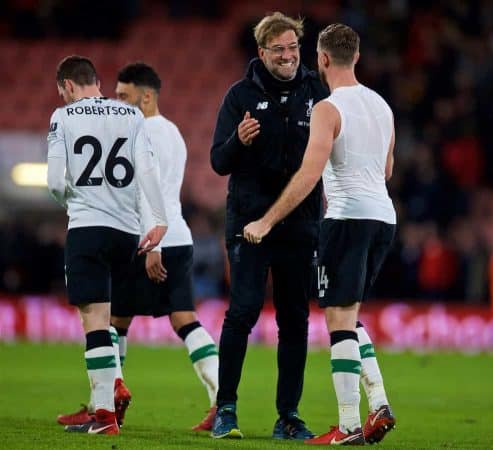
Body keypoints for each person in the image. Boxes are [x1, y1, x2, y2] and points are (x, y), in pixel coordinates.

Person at [243, 23, 397, 445]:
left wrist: (266, 220)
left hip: (347, 217)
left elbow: (310, 173)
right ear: (357, 57)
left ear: (322, 59)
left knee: (338, 321)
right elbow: (386, 170)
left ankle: (348, 425)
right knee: (349, 316)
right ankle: (379, 403)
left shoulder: (328, 109)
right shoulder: (382, 106)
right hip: (384, 217)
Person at [56, 62, 220, 431]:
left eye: (124, 96)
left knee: (111, 320)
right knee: (181, 318)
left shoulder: (140, 129)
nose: (118, 101)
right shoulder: (173, 132)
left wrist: (151, 245)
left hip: (151, 239)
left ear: (146, 97)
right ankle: (221, 400)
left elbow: (149, 192)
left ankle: (106, 401)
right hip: (178, 235)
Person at [209, 11, 327, 440]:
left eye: (294, 48)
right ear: (262, 52)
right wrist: (237, 140)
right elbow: (218, 162)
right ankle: (226, 409)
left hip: (300, 224)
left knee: (295, 320)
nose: (288, 56)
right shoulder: (239, 96)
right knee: (242, 313)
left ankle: (289, 416)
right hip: (249, 223)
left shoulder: (317, 90)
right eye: (279, 49)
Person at [47, 55, 168, 435]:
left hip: (88, 228)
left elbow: (53, 181)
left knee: (94, 321)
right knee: (112, 319)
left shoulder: (62, 117)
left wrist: (74, 201)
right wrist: (158, 220)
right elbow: (147, 170)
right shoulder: (131, 115)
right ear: (96, 81)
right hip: (127, 232)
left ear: (67, 86)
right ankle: (106, 402)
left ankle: (103, 414)